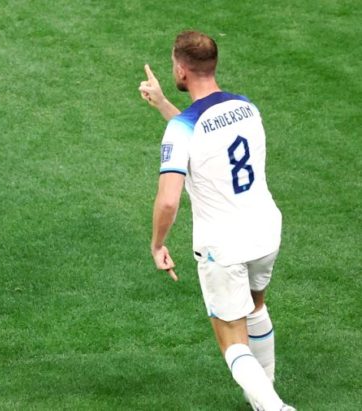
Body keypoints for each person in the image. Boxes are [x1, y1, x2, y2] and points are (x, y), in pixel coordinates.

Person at [139, 31, 295, 411]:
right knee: (256, 307)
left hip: (223, 245)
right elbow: (209, 144)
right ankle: (266, 396)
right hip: (265, 231)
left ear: (180, 69)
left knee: (232, 342)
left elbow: (168, 201)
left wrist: (158, 244)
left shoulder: (182, 130)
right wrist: (162, 104)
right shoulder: (247, 107)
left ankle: (275, 408)